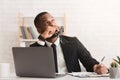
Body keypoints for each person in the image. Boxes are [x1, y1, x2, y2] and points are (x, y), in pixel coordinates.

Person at [30, 12, 108, 74]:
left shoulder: (73, 42)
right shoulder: (36, 47)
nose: (52, 24)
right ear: (39, 30)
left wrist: (96, 67)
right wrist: (42, 38)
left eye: (53, 20)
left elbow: (89, 61)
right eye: (47, 23)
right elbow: (32, 67)